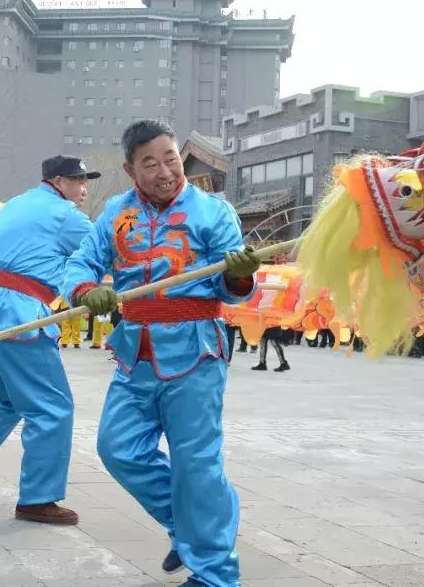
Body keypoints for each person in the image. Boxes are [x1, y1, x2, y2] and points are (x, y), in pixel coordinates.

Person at [63, 120, 260, 587]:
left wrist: (239, 275)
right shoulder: (114, 213)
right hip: (135, 350)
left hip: (196, 350)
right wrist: (88, 288)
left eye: (170, 157)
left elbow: (235, 291)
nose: (164, 170)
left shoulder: (214, 211)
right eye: (149, 162)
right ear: (131, 168)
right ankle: (188, 525)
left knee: (196, 462)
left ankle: (215, 573)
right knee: (118, 448)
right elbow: (79, 263)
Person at [0, 154, 96, 527]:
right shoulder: (65, 215)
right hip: (18, 310)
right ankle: (38, 498)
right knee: (51, 406)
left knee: (9, 397)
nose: (84, 189)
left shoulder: (15, 205)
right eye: (78, 181)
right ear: (59, 182)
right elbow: (105, 249)